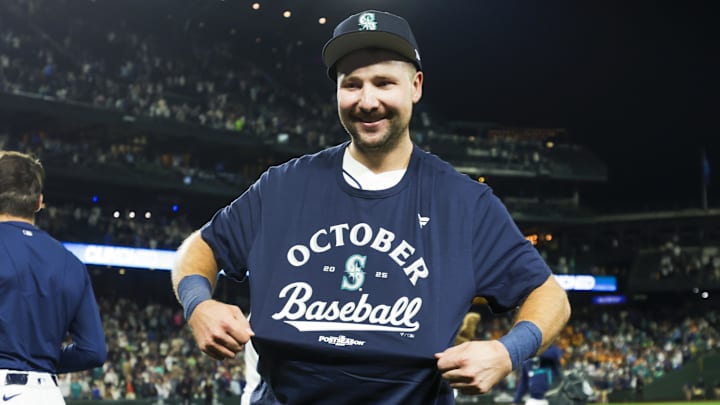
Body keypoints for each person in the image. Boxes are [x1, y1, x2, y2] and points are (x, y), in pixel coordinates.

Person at [171, 9, 571, 404]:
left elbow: (550, 295)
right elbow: (199, 248)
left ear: (415, 86)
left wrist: (507, 351)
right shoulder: (283, 185)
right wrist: (198, 304)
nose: (367, 101)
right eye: (352, 84)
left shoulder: (464, 202)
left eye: (384, 83)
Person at [0, 150, 106, 404]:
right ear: (38, 202)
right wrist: (40, 358)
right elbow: (93, 351)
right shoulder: (71, 263)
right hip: (47, 393)